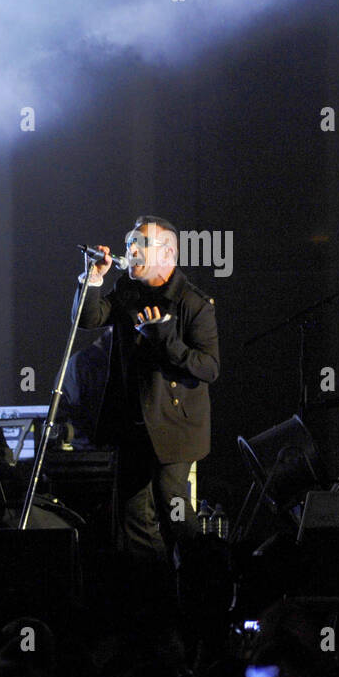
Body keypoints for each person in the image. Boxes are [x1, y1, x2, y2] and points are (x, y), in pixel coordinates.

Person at [78, 216, 219, 562]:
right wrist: (93, 280)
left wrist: (166, 340)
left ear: (167, 253)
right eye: (129, 244)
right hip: (133, 424)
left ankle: (200, 579)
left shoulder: (194, 303)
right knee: (131, 516)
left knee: (172, 506)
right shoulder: (128, 290)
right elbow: (89, 318)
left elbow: (209, 368)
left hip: (174, 425)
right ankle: (155, 592)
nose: (132, 251)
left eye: (141, 244)